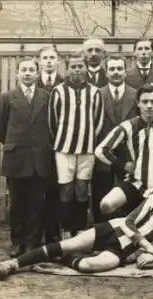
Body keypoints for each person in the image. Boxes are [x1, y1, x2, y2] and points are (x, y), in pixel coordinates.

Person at [0, 171, 153, 280]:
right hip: (114, 229)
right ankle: (14, 264)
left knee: (91, 265)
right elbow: (129, 222)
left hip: (125, 250)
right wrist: (149, 247)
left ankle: (64, 260)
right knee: (69, 244)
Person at [0, 57, 53, 256]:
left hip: (39, 160)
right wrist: (17, 146)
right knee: (17, 204)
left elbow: (51, 127)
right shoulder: (7, 97)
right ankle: (17, 242)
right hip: (16, 160)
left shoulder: (46, 96)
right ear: (17, 74)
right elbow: (0, 129)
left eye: (31, 70)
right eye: (24, 70)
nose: (27, 73)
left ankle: (32, 242)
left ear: (37, 74)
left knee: (37, 203)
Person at [95, 84, 153, 216]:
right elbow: (101, 150)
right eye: (145, 102)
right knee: (106, 204)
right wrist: (122, 165)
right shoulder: (129, 125)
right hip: (135, 184)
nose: (149, 106)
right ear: (138, 104)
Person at [48, 51, 104, 238]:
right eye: (74, 66)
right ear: (67, 68)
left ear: (86, 68)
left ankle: (79, 229)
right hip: (64, 150)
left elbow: (98, 121)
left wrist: (87, 140)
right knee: (66, 190)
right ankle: (66, 231)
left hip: (87, 150)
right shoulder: (58, 91)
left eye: (81, 66)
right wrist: (63, 140)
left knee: (81, 190)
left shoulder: (95, 92)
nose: (78, 70)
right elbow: (52, 122)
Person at [92, 54, 139, 223]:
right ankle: (102, 236)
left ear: (125, 72)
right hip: (103, 154)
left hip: (128, 154)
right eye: (112, 69)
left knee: (127, 194)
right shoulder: (96, 94)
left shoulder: (136, 95)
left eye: (120, 68)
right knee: (102, 193)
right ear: (106, 72)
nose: (116, 72)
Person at [36, 46, 64, 245]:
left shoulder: (65, 84)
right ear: (39, 61)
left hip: (58, 149)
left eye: (52, 58)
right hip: (36, 150)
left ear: (58, 61)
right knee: (35, 193)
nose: (48, 61)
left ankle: (53, 235)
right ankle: (33, 236)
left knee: (55, 192)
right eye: (44, 58)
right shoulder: (30, 82)